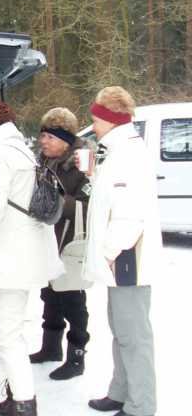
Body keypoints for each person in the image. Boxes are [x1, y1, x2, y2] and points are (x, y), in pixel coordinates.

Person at [0, 100, 63, 416]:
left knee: (7, 336)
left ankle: (23, 404)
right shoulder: (18, 151)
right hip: (22, 255)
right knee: (12, 332)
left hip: (8, 259)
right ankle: (19, 396)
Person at [82, 87, 159, 416]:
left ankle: (141, 406)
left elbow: (130, 216)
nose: (93, 124)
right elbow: (109, 202)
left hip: (128, 258)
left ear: (108, 118)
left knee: (134, 336)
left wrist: (108, 253)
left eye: (95, 118)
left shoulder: (128, 153)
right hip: (121, 258)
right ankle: (121, 391)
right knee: (121, 330)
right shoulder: (114, 150)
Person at [28, 107, 91, 380]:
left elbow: (90, 206)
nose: (43, 141)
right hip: (46, 241)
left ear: (65, 140)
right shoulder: (41, 162)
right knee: (49, 294)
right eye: (42, 136)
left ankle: (76, 358)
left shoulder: (82, 163)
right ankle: (50, 347)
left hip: (70, 241)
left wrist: (54, 204)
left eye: (50, 137)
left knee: (72, 300)